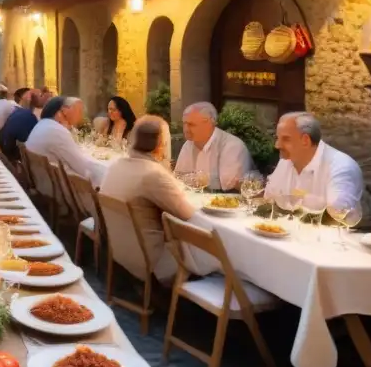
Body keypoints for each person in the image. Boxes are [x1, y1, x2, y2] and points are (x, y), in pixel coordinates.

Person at [99, 117, 218, 283]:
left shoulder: (116, 165)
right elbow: (186, 213)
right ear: (160, 144)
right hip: (153, 259)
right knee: (216, 241)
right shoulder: (152, 174)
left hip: (122, 250)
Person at [264, 112, 363, 210]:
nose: (277, 145)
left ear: (305, 140)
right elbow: (268, 200)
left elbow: (338, 214)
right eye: (277, 138)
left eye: (286, 139)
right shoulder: (286, 161)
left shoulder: (341, 167)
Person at [174, 102, 255, 191]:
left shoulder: (232, 146)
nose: (186, 129)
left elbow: (228, 185)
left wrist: (192, 179)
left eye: (191, 124)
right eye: (184, 123)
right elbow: (179, 177)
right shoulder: (189, 144)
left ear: (208, 124)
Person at [23, 96, 92, 179]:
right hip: (55, 184)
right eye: (79, 111)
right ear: (65, 111)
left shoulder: (43, 124)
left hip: (40, 179)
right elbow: (82, 168)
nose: (81, 116)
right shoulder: (57, 131)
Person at [0, 89, 43, 160]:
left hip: (7, 154)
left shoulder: (17, 112)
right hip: (16, 157)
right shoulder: (28, 116)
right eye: (40, 95)